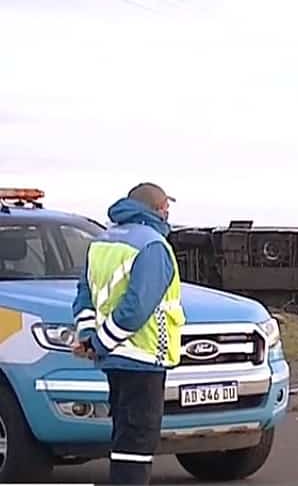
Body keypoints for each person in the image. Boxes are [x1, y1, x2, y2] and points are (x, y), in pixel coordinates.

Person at [71, 183, 185, 485]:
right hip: (144, 357)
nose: (168, 212)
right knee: (137, 445)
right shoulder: (153, 246)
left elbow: (84, 295)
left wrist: (89, 339)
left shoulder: (101, 243)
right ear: (156, 209)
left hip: (113, 361)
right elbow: (137, 307)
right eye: (165, 207)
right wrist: (100, 343)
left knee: (124, 439)